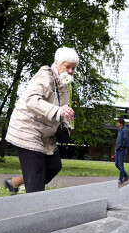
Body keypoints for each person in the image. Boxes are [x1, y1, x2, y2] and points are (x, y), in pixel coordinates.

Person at [4, 47, 77, 193]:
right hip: (26, 128)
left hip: (44, 132)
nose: (70, 71)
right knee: (36, 172)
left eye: (73, 68)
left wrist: (67, 126)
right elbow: (31, 100)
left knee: (54, 166)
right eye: (67, 67)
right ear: (57, 63)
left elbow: (64, 107)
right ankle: (34, 208)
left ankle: (15, 182)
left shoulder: (63, 84)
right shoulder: (44, 77)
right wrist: (57, 111)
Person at [115, 117, 129, 184]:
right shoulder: (119, 130)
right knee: (116, 164)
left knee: (120, 165)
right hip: (118, 149)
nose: (117, 123)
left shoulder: (125, 130)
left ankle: (121, 179)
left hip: (122, 149)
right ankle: (126, 176)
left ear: (121, 123)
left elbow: (125, 140)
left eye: (117, 122)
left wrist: (121, 147)